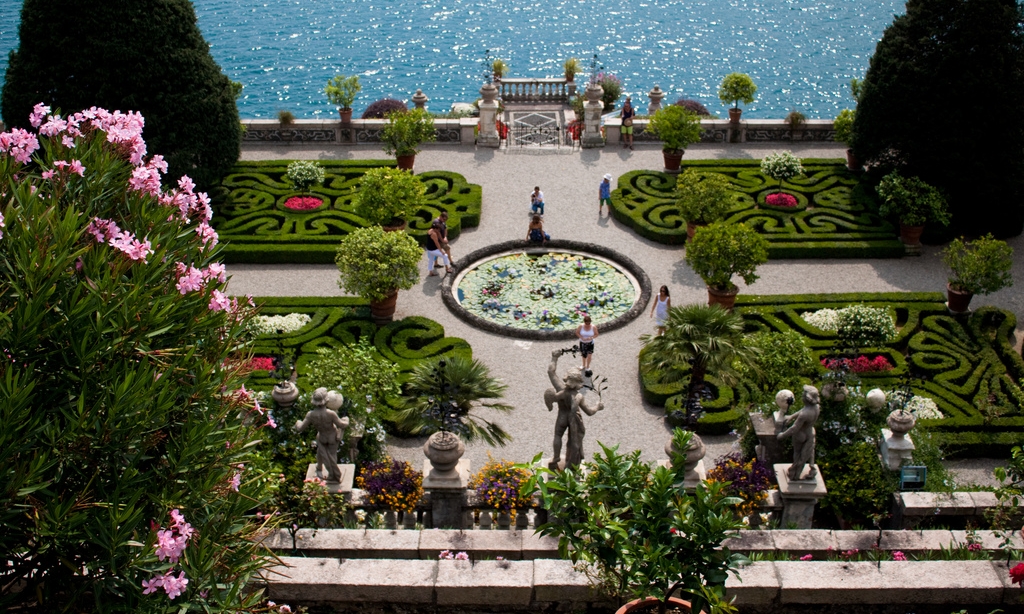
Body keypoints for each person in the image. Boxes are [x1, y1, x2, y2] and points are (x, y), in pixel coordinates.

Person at [544, 349, 604, 471]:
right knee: (573, 441)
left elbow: (551, 371)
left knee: (557, 435)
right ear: (578, 383)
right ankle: (571, 463)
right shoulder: (579, 397)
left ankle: (556, 458)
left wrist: (555, 358)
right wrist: (598, 406)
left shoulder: (560, 388)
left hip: (561, 416)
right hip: (573, 420)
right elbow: (589, 412)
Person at [294, 387, 350, 483]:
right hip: (332, 437)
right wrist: (346, 420)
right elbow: (342, 425)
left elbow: (300, 428)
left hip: (322, 437)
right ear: (326, 400)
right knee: (332, 456)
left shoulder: (310, 415)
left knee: (321, 452)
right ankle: (333, 475)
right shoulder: (330, 413)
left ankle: (319, 467)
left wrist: (297, 422)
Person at [777, 385, 821, 481]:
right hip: (810, 432)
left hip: (801, 435)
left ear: (807, 398)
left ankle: (794, 474)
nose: (801, 397)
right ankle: (811, 469)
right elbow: (803, 409)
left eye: (803, 395)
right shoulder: (816, 407)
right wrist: (792, 416)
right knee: (808, 452)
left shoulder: (804, 415)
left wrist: (782, 435)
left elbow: (794, 428)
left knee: (798, 454)